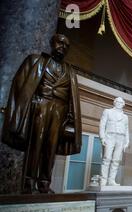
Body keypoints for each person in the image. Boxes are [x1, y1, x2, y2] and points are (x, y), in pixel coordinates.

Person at [1, 34, 81, 194]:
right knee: (35, 144)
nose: (63, 47)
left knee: (50, 147)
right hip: (41, 105)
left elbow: (73, 98)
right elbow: (19, 86)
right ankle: (27, 183)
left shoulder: (70, 71)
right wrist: (26, 107)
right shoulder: (36, 61)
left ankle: (44, 183)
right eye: (60, 43)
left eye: (66, 45)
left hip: (60, 111)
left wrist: (71, 117)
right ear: (52, 43)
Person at [99, 97, 129, 186]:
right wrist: (102, 138)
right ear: (114, 103)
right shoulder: (107, 111)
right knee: (107, 158)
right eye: (117, 102)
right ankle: (103, 180)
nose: (119, 103)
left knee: (116, 160)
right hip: (110, 136)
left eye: (121, 102)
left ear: (123, 104)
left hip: (121, 138)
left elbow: (126, 129)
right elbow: (102, 125)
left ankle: (111, 180)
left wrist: (127, 141)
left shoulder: (125, 117)